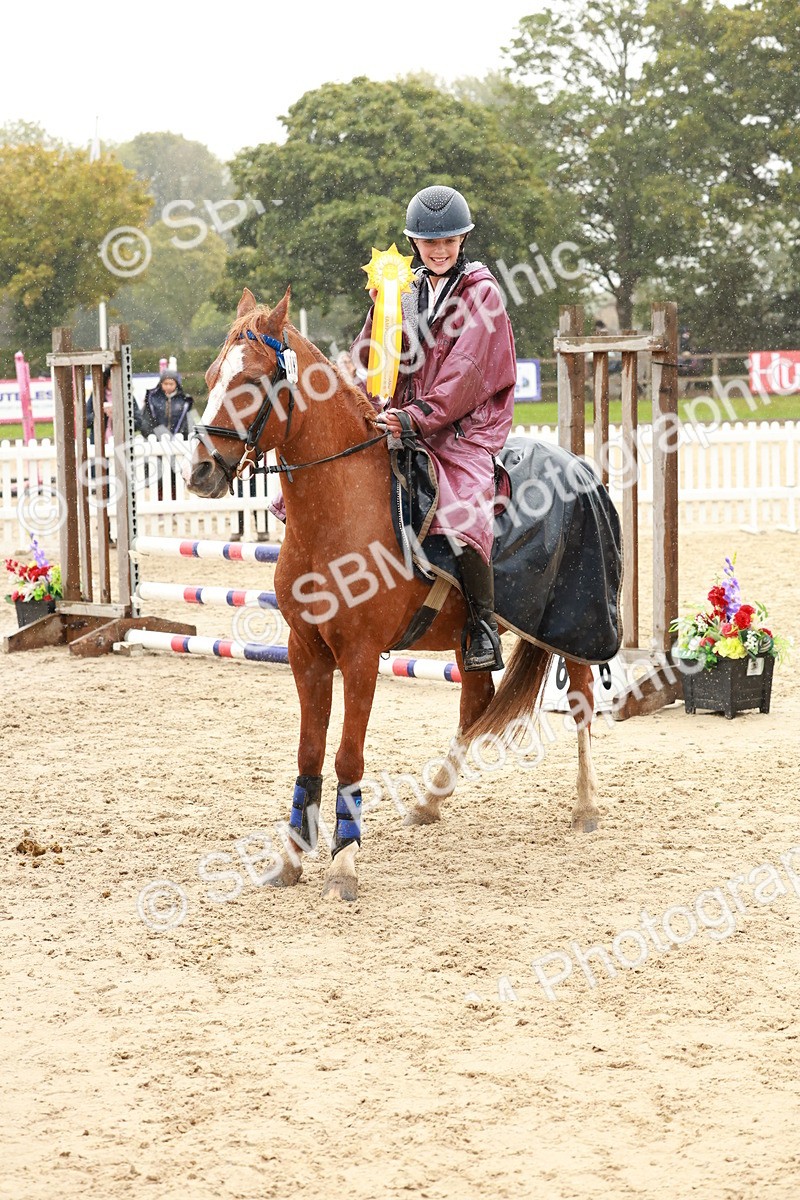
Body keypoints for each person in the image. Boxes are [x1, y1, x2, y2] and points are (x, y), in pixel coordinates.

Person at [351, 185, 517, 672]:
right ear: (414, 244)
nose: (439, 251)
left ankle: (483, 626)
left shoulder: (482, 295)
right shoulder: (401, 289)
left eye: (448, 242)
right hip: (405, 418)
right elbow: (371, 353)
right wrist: (368, 400)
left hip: (464, 428)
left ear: (463, 239)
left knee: (463, 508)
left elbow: (465, 373)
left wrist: (417, 416)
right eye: (429, 243)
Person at [134, 369, 194, 438]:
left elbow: (186, 423)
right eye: (166, 384)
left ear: (176, 384)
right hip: (155, 441)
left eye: (171, 384)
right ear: (161, 383)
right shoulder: (152, 399)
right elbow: (146, 422)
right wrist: (153, 436)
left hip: (178, 440)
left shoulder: (184, 401)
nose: (168, 386)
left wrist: (182, 435)